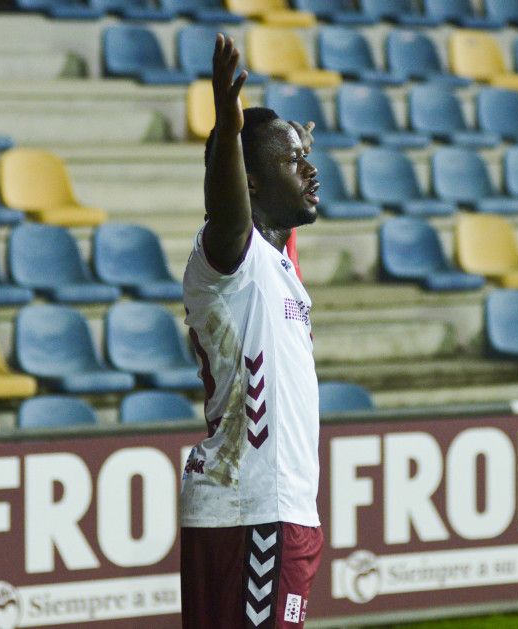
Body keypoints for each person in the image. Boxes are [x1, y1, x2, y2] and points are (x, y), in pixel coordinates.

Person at [179, 33, 324, 629]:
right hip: (251, 510)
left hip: (270, 509)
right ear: (250, 182)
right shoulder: (228, 258)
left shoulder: (278, 258)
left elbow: (271, 212)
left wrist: (286, 141)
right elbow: (228, 205)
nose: (310, 169)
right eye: (292, 160)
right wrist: (227, 129)